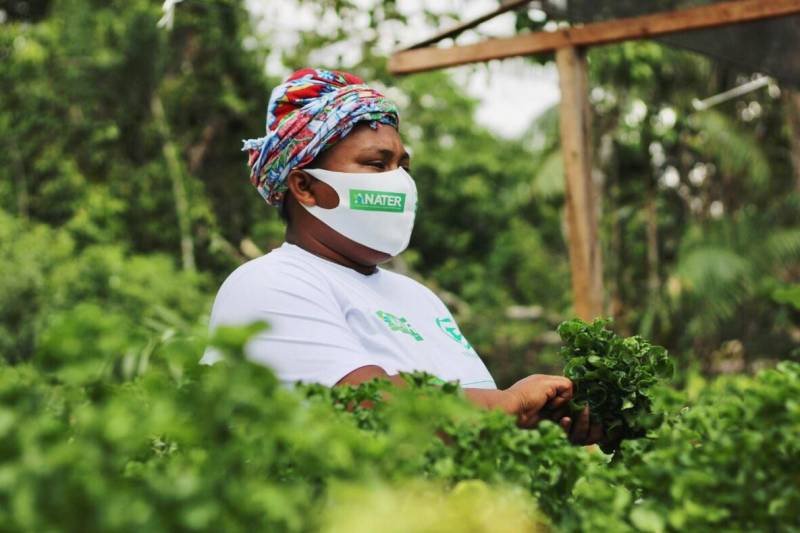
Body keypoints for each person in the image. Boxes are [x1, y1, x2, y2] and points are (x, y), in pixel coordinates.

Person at [203, 68, 603, 444]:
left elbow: (476, 423)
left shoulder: (418, 298)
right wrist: (510, 404)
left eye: (402, 165)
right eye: (377, 165)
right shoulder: (270, 284)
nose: (399, 181)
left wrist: (542, 424)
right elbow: (368, 408)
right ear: (305, 186)